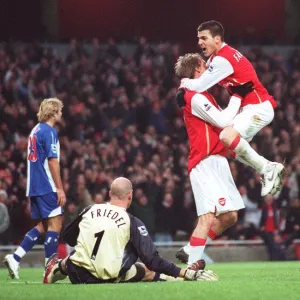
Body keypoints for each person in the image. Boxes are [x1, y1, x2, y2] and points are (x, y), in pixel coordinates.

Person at [43, 177, 218, 284]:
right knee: (145, 269)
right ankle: (183, 276)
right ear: (130, 196)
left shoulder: (89, 209)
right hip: (107, 278)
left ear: (109, 194)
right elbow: (153, 260)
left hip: (76, 273)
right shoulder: (132, 221)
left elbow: (68, 237)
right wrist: (187, 272)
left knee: (69, 261)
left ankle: (54, 269)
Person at [179, 20, 284, 197]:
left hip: (258, 107)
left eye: (204, 38)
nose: (200, 43)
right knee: (227, 147)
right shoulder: (216, 58)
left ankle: (268, 168)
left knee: (226, 136)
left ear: (217, 39)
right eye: (199, 38)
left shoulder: (222, 59)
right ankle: (266, 169)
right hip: (249, 108)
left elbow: (201, 85)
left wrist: (183, 85)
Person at [174, 53, 261, 265]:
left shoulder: (202, 95)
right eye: (205, 65)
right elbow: (223, 120)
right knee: (208, 216)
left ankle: (190, 249)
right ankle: (192, 267)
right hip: (204, 162)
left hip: (218, 161)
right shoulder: (193, 96)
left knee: (230, 216)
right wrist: (237, 96)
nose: (209, 69)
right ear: (197, 69)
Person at [4, 98, 66, 280]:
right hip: (47, 184)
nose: (61, 113)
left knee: (44, 225)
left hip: (34, 185)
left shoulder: (35, 130)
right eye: (59, 110)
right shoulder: (50, 131)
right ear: (53, 112)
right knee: (56, 222)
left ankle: (15, 258)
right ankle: (50, 266)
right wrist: (60, 189)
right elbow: (53, 161)